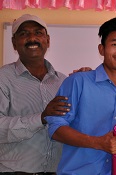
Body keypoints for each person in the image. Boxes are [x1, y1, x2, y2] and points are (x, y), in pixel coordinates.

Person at [45, 16, 116, 175]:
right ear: (101, 49)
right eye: (114, 44)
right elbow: (56, 128)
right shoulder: (78, 82)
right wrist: (98, 143)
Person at [0, 14, 71, 174]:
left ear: (47, 40)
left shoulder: (64, 81)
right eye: (24, 33)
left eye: (38, 33)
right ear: (14, 43)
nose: (32, 38)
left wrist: (87, 81)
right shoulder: (3, 78)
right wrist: (41, 118)